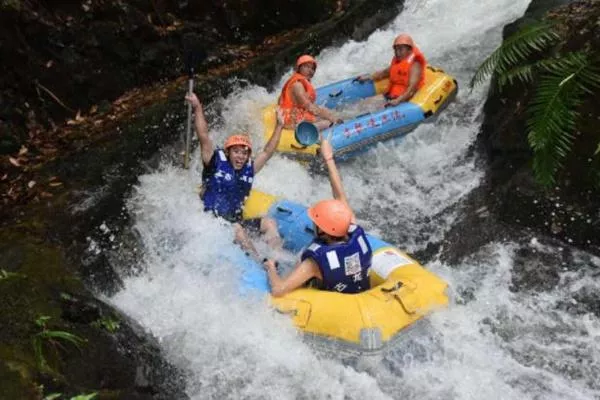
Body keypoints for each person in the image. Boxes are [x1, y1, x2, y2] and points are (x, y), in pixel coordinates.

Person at [262, 138, 373, 297]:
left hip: (332, 309)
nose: (313, 223)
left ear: (323, 230)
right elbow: (340, 196)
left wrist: (271, 267)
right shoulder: (355, 234)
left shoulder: (314, 262)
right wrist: (328, 158)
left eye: (316, 222)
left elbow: (278, 290)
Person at [185, 92, 284, 258]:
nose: (240, 156)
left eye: (244, 153)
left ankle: (277, 259)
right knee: (238, 230)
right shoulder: (214, 161)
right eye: (236, 152)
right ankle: (259, 263)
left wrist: (280, 126)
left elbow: (267, 152)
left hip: (235, 219)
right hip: (215, 222)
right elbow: (203, 136)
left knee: (269, 223)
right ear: (228, 152)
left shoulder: (248, 168)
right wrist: (197, 107)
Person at [357, 34, 427, 107]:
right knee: (363, 104)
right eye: (396, 49)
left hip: (403, 100)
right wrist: (369, 77)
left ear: (409, 50)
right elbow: (385, 72)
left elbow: (412, 89)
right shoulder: (399, 61)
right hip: (391, 95)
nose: (397, 53)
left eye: (400, 49)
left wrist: (398, 101)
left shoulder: (415, 65)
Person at [278, 54, 343, 131]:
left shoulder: (299, 82)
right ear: (299, 68)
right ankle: (306, 133)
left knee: (326, 112)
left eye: (312, 68)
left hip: (295, 116)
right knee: (328, 123)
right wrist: (332, 118)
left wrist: (327, 114)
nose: (310, 71)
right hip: (290, 122)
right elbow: (310, 107)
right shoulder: (297, 85)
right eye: (306, 67)